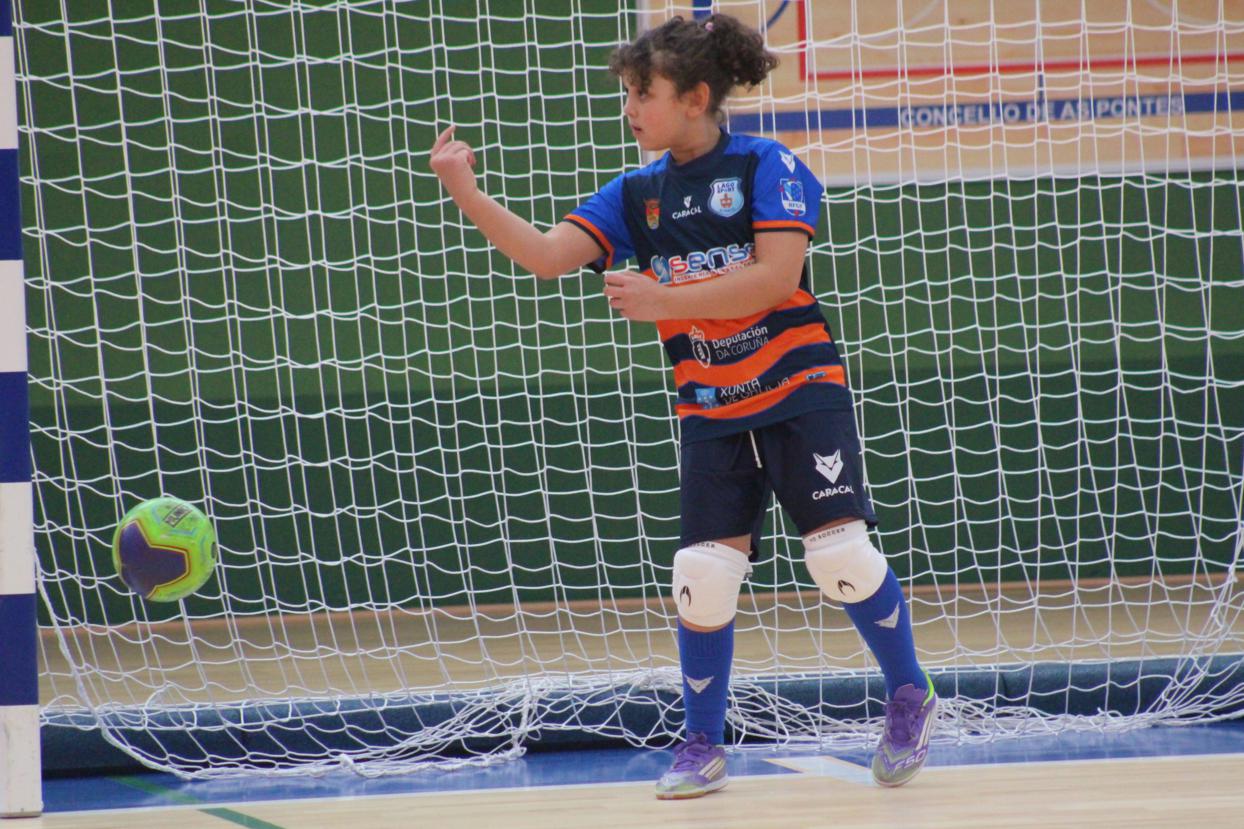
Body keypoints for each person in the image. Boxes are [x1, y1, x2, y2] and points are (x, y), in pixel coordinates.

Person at [429, 13, 937, 799]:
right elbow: (547, 257)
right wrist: (465, 189)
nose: (630, 108)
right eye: (628, 93)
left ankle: (909, 693)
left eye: (645, 93)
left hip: (800, 390)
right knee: (702, 573)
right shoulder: (637, 194)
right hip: (710, 403)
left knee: (838, 557)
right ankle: (702, 741)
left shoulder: (768, 164)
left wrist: (664, 297)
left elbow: (774, 278)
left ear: (696, 98)